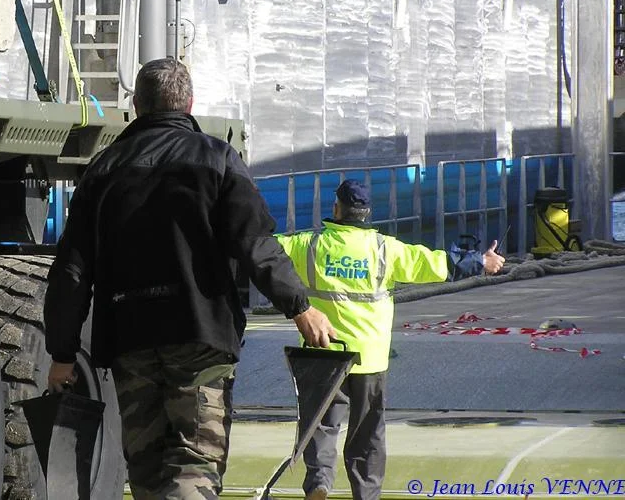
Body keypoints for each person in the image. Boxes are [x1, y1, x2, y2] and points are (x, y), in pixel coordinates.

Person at [43, 58, 336, 499]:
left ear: (136, 105)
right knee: (194, 461)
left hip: (129, 340)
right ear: (190, 103)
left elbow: (71, 272)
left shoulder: (101, 172)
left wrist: (62, 353)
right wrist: (301, 308)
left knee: (146, 467)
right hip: (199, 336)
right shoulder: (218, 160)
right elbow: (255, 245)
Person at [275, 179, 506, 500]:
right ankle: (366, 494)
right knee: (367, 434)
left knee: (321, 427)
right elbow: (435, 263)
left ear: (336, 208)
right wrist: (482, 261)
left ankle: (319, 483)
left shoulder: (308, 245)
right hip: (369, 358)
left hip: (323, 353)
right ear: (367, 213)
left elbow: (264, 251)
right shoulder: (385, 249)